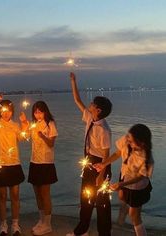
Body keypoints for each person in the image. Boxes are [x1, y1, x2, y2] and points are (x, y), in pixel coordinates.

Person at [66, 72, 113, 236]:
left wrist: (101, 174)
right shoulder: (89, 118)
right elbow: (77, 100)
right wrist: (73, 81)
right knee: (85, 198)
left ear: (98, 110)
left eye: (92, 103)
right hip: (89, 161)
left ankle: (104, 233)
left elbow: (107, 154)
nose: (90, 104)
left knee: (101, 202)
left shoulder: (104, 130)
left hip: (101, 163)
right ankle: (82, 230)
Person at [94, 124, 154, 236]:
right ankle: (124, 211)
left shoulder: (146, 158)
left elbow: (140, 177)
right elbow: (118, 153)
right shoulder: (127, 140)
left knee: (134, 216)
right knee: (122, 196)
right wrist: (104, 164)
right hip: (125, 176)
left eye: (131, 140)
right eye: (128, 137)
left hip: (137, 186)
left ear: (141, 142)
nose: (128, 141)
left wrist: (122, 184)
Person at [0, 93, 28, 236]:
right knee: (2, 196)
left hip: (14, 163)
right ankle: (3, 225)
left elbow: (23, 137)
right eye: (3, 110)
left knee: (15, 195)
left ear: (12, 112)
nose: (6, 113)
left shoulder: (15, 125)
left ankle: (15, 224)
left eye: (9, 110)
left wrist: (24, 123)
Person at [25, 101, 58, 235]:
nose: (38, 114)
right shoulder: (34, 125)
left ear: (45, 111)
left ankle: (48, 224)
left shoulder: (50, 124)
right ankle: (41, 220)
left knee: (45, 194)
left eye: (40, 111)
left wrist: (43, 135)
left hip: (46, 163)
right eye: (35, 112)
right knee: (37, 194)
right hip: (34, 162)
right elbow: (26, 136)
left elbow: (51, 144)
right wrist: (24, 123)